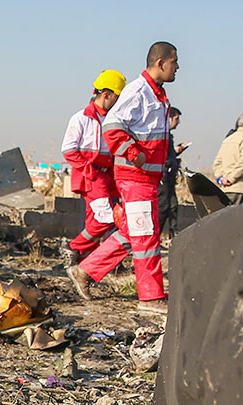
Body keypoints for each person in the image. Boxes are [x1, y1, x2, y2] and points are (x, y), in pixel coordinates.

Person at [102, 40, 179, 310]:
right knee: (146, 237)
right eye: (174, 62)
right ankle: (150, 297)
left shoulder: (154, 93)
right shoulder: (138, 91)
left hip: (146, 177)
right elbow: (111, 126)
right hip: (135, 176)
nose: (177, 67)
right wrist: (133, 153)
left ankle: (86, 271)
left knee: (133, 232)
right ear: (161, 63)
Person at [61, 69, 131, 299]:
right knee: (106, 219)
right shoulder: (81, 118)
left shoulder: (113, 119)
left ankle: (83, 268)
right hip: (92, 175)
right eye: (118, 97)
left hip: (109, 175)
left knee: (99, 220)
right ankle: (74, 248)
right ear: (107, 94)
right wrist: (89, 170)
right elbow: (69, 150)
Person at [212, 112, 243, 204]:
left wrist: (221, 178)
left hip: (226, 189)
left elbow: (217, 162)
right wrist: (230, 178)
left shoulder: (228, 139)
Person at [159, 107, 187, 237]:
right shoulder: (161, 135)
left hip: (169, 177)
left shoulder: (167, 136)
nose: (179, 122)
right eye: (176, 119)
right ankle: (154, 237)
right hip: (163, 176)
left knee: (173, 206)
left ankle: (173, 235)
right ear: (169, 118)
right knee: (162, 207)